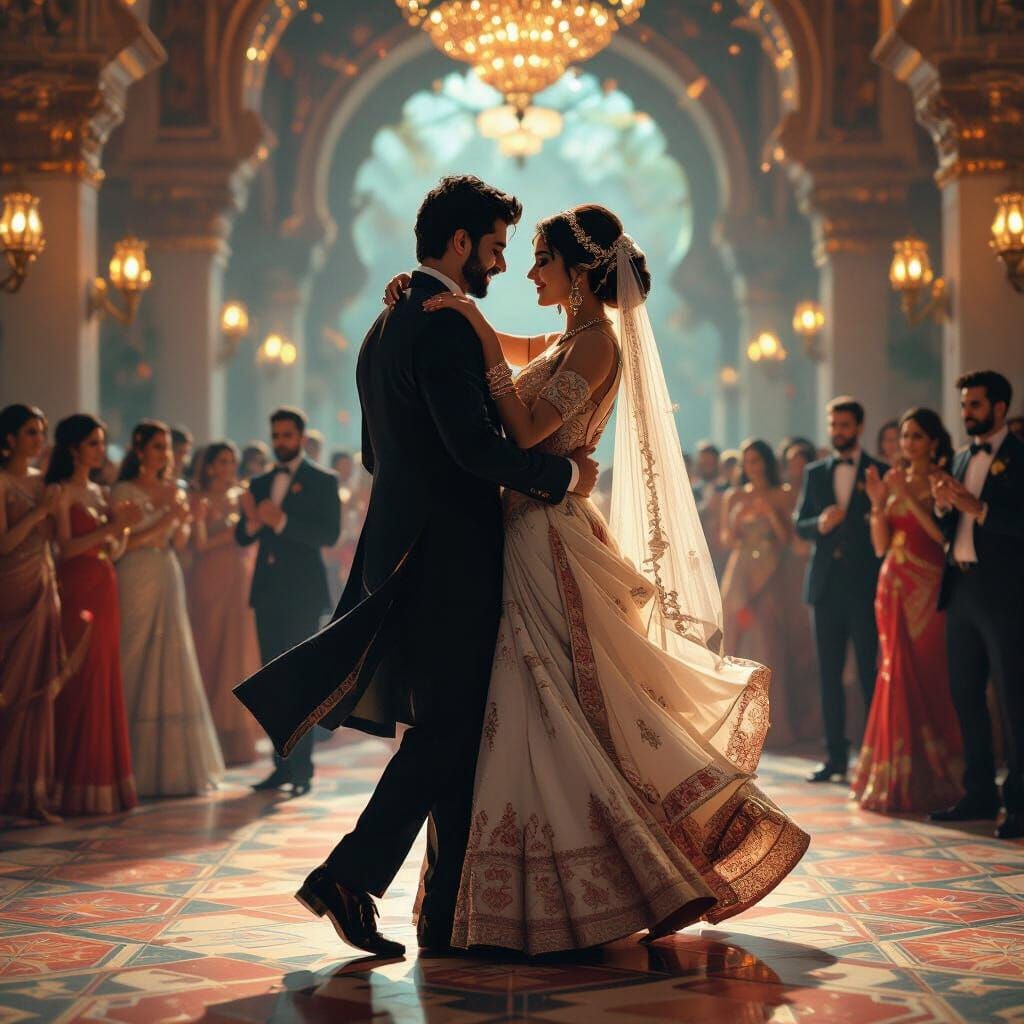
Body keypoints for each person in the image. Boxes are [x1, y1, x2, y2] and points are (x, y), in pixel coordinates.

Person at [237, 182, 808, 957]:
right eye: (505, 249)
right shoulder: (443, 324)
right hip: (459, 555)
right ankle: (362, 878)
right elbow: (482, 445)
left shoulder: (394, 324)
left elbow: (391, 447)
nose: (514, 267)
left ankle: (444, 907)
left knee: (487, 725)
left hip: (466, 549)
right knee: (470, 725)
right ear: (464, 244)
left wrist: (461, 319)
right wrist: (566, 477)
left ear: (578, 273)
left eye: (534, 257)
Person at [851, 408, 963, 812]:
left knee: (930, 673)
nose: (908, 444)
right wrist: (880, 503)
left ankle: (941, 773)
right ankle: (895, 776)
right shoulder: (893, 481)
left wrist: (908, 498)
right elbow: (881, 545)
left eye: (916, 436)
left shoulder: (940, 481)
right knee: (893, 672)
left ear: (933, 441)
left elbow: (940, 537)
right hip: (891, 586)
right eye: (904, 436)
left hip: (927, 587)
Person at [929, 371, 1024, 840]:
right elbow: (952, 526)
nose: (967, 413)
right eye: (965, 405)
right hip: (961, 589)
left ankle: (1021, 804)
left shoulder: (1021, 457)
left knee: (1013, 699)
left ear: (1000, 408)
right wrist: (944, 508)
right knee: (966, 695)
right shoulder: (962, 455)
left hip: (1005, 593)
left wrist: (978, 508)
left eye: (976, 405)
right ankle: (980, 792)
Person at [113, 421, 224, 797]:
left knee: (171, 655)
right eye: (158, 446)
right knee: (133, 653)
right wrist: (164, 518)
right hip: (135, 572)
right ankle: (122, 764)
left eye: (168, 447)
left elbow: (180, 542)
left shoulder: (174, 489)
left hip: (166, 570)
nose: (165, 454)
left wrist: (184, 519)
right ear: (140, 449)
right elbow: (123, 544)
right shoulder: (123, 490)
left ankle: (168, 768)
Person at [235, 407, 341, 794]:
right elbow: (243, 538)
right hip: (266, 592)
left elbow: (329, 535)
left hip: (302, 594)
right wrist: (251, 521)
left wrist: (281, 522)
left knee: (299, 680)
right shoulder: (260, 482)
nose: (280, 442)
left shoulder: (322, 480)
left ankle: (302, 769)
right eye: (275, 435)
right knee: (270, 681)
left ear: (300, 435)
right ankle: (279, 766)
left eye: (287, 435)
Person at [47, 415, 140, 815]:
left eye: (102, 443)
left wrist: (122, 530)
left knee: (104, 678)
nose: (101, 451)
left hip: (105, 587)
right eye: (93, 444)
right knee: (77, 678)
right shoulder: (61, 491)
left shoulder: (102, 493)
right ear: (73, 449)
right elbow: (64, 549)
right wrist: (113, 528)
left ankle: (101, 785)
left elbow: (113, 551)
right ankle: (66, 784)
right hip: (76, 588)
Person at [795, 396, 887, 783]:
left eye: (844, 425)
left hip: (865, 587)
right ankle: (834, 757)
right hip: (826, 588)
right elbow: (800, 525)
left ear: (859, 427)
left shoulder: (880, 472)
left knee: (868, 673)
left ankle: (872, 758)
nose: (837, 432)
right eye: (833, 425)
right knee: (828, 675)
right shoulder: (816, 472)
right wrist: (820, 523)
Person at [0, 405, 67, 824]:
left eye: (41, 432)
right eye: (30, 432)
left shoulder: (46, 483)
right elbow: (5, 545)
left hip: (44, 583)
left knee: (41, 688)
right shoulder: (4, 482)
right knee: (11, 686)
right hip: (12, 589)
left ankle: (34, 789)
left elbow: (58, 541)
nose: (38, 440)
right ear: (8, 440)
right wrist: (41, 511)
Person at [720, 440, 802, 748]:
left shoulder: (782, 495)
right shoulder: (734, 495)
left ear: (767, 463)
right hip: (740, 575)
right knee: (735, 642)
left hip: (770, 574)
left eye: (757, 461)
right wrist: (737, 519)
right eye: (748, 461)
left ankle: (772, 726)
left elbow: (789, 541)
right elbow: (727, 540)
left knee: (768, 644)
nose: (753, 467)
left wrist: (771, 514)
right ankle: (736, 726)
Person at [187, 442, 261, 765]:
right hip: (210, 577)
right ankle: (205, 736)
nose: (228, 466)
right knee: (210, 649)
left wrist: (248, 522)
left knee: (237, 653)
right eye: (222, 461)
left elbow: (256, 530)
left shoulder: (241, 495)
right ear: (208, 466)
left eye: (232, 461)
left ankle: (236, 739)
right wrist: (233, 532)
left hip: (239, 577)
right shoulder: (198, 499)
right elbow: (199, 543)